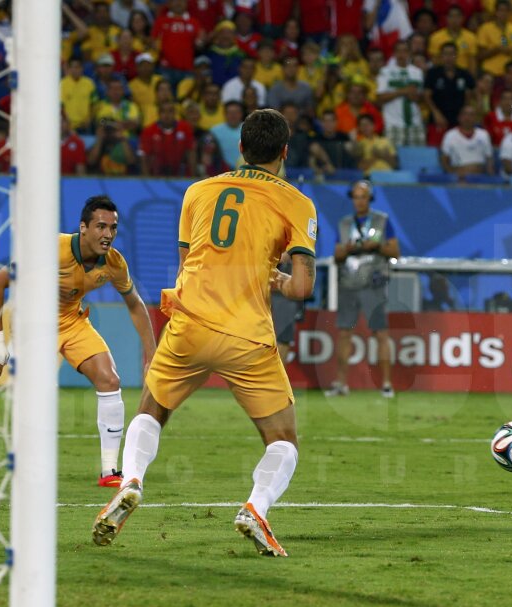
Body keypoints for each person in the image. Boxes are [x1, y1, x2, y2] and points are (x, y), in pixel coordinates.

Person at [92, 109, 317, 558]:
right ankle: (255, 509)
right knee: (283, 439)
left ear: (240, 148)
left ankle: (131, 479)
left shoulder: (198, 191)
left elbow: (186, 263)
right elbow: (302, 288)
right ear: (284, 151)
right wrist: (276, 279)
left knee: (152, 409)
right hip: (246, 334)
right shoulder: (297, 203)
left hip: (190, 322)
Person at [0, 196, 156, 488]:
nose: (108, 234)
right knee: (40, 394)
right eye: (101, 226)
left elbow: (135, 304)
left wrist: (151, 355)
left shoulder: (114, 263)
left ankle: (109, 471)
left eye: (113, 227)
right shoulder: (51, 248)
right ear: (83, 228)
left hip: (72, 321)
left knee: (109, 380)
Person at [325, 180, 401, 399]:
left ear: (370, 198)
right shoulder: (344, 223)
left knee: (380, 333)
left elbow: (395, 252)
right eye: (356, 197)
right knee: (344, 333)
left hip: (372, 284)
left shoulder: (381, 220)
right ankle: (341, 383)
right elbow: (337, 255)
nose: (359, 201)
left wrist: (377, 246)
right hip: (348, 283)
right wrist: (348, 249)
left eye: (363, 197)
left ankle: (386, 384)